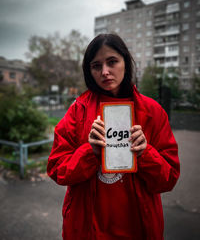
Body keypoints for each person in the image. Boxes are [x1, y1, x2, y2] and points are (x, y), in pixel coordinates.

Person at [47, 34, 180, 240]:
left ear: (125, 62)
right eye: (96, 66)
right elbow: (57, 169)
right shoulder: (77, 112)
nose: (105, 72)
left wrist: (145, 153)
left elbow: (168, 179)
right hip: (87, 230)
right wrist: (89, 153)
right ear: (89, 71)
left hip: (138, 228)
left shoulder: (152, 112)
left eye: (112, 62)